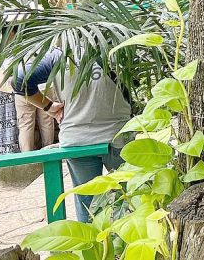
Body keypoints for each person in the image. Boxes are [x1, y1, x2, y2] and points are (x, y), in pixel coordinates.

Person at [13, 48, 131, 222]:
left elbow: (19, 79)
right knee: (131, 196)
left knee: (88, 203)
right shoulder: (117, 46)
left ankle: (93, 248)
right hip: (118, 135)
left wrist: (48, 106)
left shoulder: (59, 57)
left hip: (77, 140)